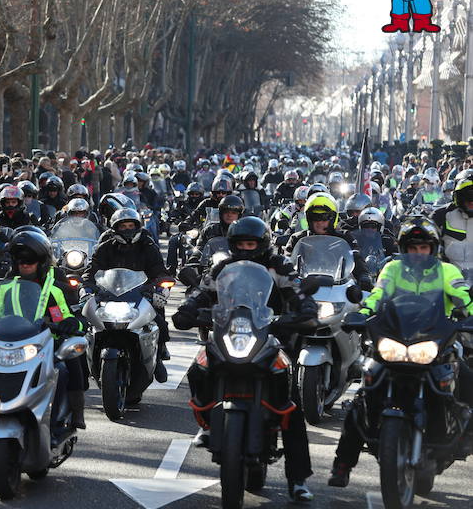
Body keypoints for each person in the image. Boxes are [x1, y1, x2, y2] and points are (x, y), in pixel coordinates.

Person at [171, 216, 317, 502]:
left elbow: (298, 293)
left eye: (252, 243)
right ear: (234, 245)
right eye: (241, 244)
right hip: (229, 332)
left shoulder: (280, 266)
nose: (247, 248)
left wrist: (305, 311)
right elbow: (202, 292)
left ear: (262, 244)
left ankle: (298, 479)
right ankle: (207, 423)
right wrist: (188, 309)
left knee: (292, 407)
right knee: (197, 368)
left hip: (271, 336)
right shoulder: (222, 267)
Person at [328, 216, 473, 487]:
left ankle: (464, 437)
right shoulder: (392, 270)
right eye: (412, 248)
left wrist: (470, 314)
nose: (418, 254)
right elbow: (378, 295)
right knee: (362, 398)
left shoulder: (447, 272)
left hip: (435, 343)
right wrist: (363, 314)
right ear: (404, 249)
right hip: (396, 341)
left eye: (423, 248)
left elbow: (463, 297)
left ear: (433, 249)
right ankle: (342, 465)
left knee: (467, 378)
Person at [0, 230, 87, 428]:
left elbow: (66, 315)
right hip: (8, 344)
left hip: (46, 343)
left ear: (41, 262)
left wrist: (71, 323)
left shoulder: (55, 289)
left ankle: (75, 412)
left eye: (30, 260)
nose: (25, 264)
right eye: (21, 260)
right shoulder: (4, 287)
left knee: (67, 366)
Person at [82, 208, 170, 381]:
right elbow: (91, 271)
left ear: (138, 226)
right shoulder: (105, 247)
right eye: (123, 226)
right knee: (85, 324)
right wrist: (86, 289)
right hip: (108, 296)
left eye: (131, 225)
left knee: (159, 321)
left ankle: (158, 357)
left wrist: (160, 290)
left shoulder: (148, 245)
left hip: (141, 295)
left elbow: (159, 271)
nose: (128, 229)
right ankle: (84, 365)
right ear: (115, 228)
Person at [284, 193, 373, 291]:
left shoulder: (345, 237)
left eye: (324, 217)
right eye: (314, 217)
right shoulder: (297, 238)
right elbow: (287, 262)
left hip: (338, 288)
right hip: (303, 288)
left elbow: (356, 258)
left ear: (333, 218)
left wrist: (364, 276)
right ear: (308, 219)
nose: (319, 222)